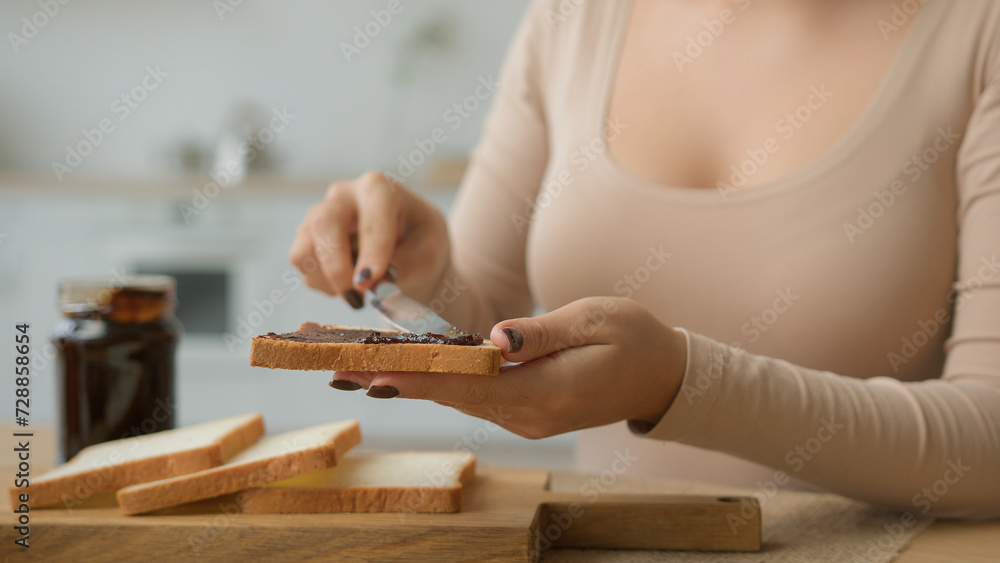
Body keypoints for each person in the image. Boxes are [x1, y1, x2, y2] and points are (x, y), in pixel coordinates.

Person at [290, 0, 1000, 518]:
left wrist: (678, 385)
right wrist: (427, 273)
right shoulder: (574, 19)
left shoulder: (978, 31)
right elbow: (484, 331)